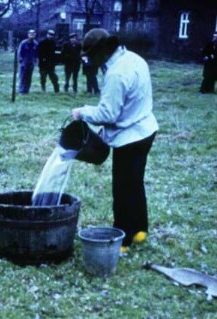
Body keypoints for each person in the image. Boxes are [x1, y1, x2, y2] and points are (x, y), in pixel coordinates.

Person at [71, 28, 158, 252]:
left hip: (130, 136)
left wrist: (82, 112)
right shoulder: (133, 58)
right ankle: (140, 230)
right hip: (145, 128)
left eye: (91, 55)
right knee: (135, 183)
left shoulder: (116, 74)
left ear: (102, 51)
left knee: (122, 188)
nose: (91, 60)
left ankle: (124, 240)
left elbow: (108, 114)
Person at [18, 29, 38, 94]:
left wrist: (35, 60)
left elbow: (36, 53)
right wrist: (20, 60)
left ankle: (27, 90)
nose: (32, 36)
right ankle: (21, 90)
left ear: (35, 35)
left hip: (31, 62)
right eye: (30, 34)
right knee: (23, 77)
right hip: (24, 62)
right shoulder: (23, 43)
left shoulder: (35, 43)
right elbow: (20, 52)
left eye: (33, 34)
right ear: (28, 35)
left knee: (29, 77)